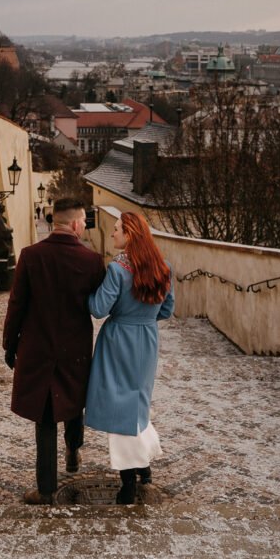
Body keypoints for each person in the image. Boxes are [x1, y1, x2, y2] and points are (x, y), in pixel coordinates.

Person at [2, 197, 106, 504]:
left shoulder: (31, 256)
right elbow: (100, 307)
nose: (85, 226)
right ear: (74, 224)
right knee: (73, 403)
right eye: (84, 221)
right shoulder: (91, 261)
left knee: (46, 419)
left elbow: (16, 304)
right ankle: (73, 450)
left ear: (53, 221)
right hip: (75, 350)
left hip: (39, 347)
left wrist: (10, 343)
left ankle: (45, 489)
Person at [84, 212, 174, 504]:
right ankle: (144, 465)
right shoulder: (162, 267)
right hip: (147, 340)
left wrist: (84, 294)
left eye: (116, 229)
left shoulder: (117, 270)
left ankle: (128, 483)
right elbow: (166, 310)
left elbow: (98, 308)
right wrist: (144, 318)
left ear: (130, 235)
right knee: (137, 402)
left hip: (119, 340)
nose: (112, 234)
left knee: (119, 407)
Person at [0, 201, 15, 292]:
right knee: (2, 268)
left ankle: (5, 285)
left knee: (6, 267)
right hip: (1, 247)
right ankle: (2, 286)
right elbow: (4, 230)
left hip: (3, 247)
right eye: (2, 206)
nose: (4, 207)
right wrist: (11, 229)